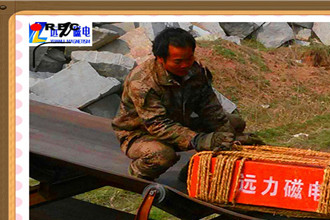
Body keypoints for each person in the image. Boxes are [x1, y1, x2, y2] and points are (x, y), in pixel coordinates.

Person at [112, 28, 263, 181]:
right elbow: (157, 125)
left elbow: (210, 108)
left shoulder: (195, 71)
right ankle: (135, 176)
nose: (185, 65)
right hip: (141, 133)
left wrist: (228, 138)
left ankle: (194, 170)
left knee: (235, 123)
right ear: (160, 59)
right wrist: (199, 140)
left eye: (189, 58)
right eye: (178, 61)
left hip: (179, 123)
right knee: (162, 155)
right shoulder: (142, 82)